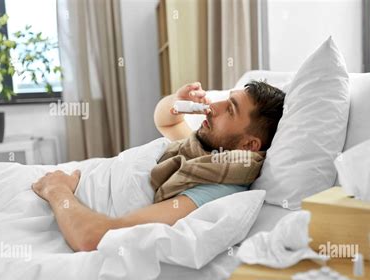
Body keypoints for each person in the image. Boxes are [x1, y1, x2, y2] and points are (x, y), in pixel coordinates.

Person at [31, 80, 285, 251]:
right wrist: (177, 102)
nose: (212, 108)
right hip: (78, 182)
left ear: (249, 146)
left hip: (64, 194)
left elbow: (95, 237)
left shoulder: (217, 188)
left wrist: (58, 190)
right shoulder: (208, 155)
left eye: (230, 109)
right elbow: (167, 123)